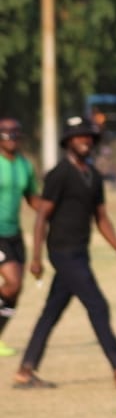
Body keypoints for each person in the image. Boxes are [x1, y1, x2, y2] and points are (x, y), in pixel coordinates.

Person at [14, 116, 116, 389]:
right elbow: (41, 217)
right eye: (78, 137)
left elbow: (102, 218)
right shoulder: (59, 174)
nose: (84, 140)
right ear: (68, 142)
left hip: (80, 252)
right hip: (63, 252)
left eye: (88, 136)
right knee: (97, 305)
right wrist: (37, 257)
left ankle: (26, 370)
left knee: (51, 311)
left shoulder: (94, 176)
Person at [0, 118, 39, 358]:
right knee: (12, 281)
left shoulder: (25, 165)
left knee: (17, 288)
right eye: (5, 133)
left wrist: (56, 209)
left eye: (15, 133)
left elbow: (33, 199)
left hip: (14, 234)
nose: (11, 138)